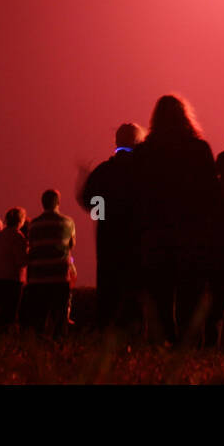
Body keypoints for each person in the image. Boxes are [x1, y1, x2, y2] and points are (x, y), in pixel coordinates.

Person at [125, 96, 221, 345]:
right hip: (191, 233)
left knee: (160, 295)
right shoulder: (199, 150)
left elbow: (134, 193)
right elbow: (212, 194)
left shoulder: (144, 152)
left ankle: (162, 346)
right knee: (191, 293)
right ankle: (190, 346)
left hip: (155, 233)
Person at [79, 122, 143, 330]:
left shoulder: (103, 172)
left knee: (108, 292)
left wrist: (106, 216)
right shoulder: (144, 172)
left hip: (108, 240)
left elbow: (88, 200)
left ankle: (104, 337)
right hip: (137, 240)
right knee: (135, 292)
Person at [25, 190, 77, 336]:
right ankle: (58, 349)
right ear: (58, 203)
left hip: (37, 277)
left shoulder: (33, 225)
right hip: (59, 276)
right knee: (59, 320)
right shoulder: (68, 222)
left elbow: (32, 245)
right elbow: (71, 244)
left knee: (38, 320)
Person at [0, 207, 27, 330]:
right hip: (12, 280)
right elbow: (21, 261)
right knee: (9, 314)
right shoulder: (18, 237)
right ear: (20, 221)